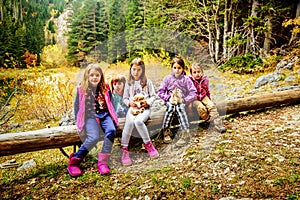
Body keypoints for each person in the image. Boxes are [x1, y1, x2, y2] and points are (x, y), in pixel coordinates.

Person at [69, 63, 118, 177]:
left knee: (111, 131)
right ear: (87, 76)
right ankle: (75, 161)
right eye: (92, 75)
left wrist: (113, 115)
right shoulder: (82, 89)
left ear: (101, 76)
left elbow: (111, 103)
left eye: (97, 75)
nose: (94, 77)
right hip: (90, 116)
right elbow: (77, 107)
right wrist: (80, 123)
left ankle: (103, 162)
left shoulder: (105, 88)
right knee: (93, 137)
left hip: (105, 114)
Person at [121, 58, 159, 166]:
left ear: (142, 70)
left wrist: (147, 102)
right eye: (133, 69)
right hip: (133, 108)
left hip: (144, 108)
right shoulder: (129, 83)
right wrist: (130, 103)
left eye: (138, 70)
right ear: (130, 70)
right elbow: (125, 98)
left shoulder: (147, 82)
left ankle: (148, 144)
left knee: (138, 122)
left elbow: (153, 96)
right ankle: (124, 149)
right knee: (129, 123)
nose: (136, 72)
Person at [157, 57, 197, 146]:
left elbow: (193, 92)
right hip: (170, 100)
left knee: (180, 108)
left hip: (181, 100)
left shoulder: (186, 79)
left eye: (179, 68)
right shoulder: (167, 79)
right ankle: (166, 131)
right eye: (175, 68)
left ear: (183, 68)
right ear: (172, 68)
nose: (177, 70)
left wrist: (185, 100)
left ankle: (185, 133)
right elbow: (160, 92)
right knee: (170, 107)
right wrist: (168, 98)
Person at [189, 62, 227, 133]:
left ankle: (218, 124)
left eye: (198, 72)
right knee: (201, 108)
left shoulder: (204, 80)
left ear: (202, 72)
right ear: (191, 74)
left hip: (203, 96)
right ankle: (209, 120)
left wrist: (209, 99)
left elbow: (207, 90)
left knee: (211, 105)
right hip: (194, 99)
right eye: (194, 72)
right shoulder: (189, 81)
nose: (197, 74)